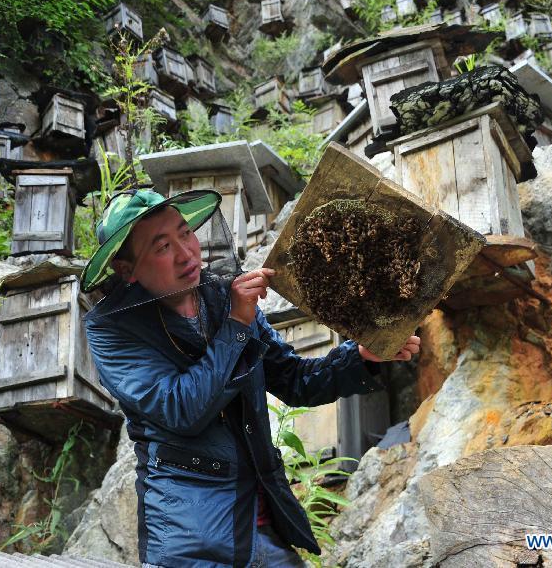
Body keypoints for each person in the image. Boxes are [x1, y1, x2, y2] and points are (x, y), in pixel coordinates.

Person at [82, 188, 421, 568]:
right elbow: (182, 409)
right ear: (128, 271)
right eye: (162, 247)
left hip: (263, 517)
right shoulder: (112, 330)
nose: (186, 252)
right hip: (189, 538)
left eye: (185, 232)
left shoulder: (223, 296)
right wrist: (236, 325)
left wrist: (360, 357)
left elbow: (294, 379)